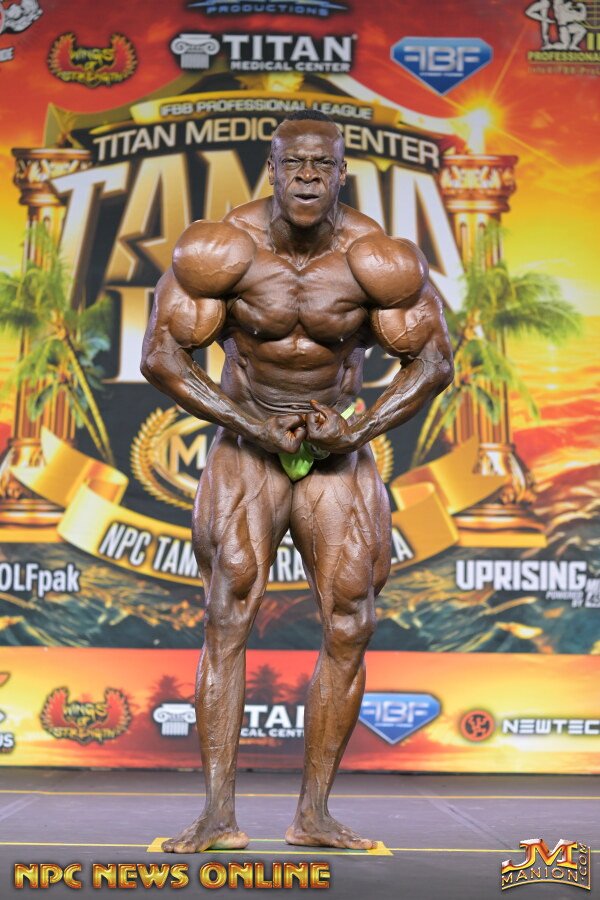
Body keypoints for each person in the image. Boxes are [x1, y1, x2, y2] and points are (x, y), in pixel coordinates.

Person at [141, 110, 453, 852]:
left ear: (342, 173)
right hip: (246, 439)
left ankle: (313, 815)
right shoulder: (224, 250)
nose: (308, 176)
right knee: (227, 610)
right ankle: (217, 816)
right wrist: (246, 423)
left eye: (322, 164)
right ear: (273, 170)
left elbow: (434, 361)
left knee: (350, 617)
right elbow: (161, 356)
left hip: (335, 446)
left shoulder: (377, 260)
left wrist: (358, 430)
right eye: (295, 163)